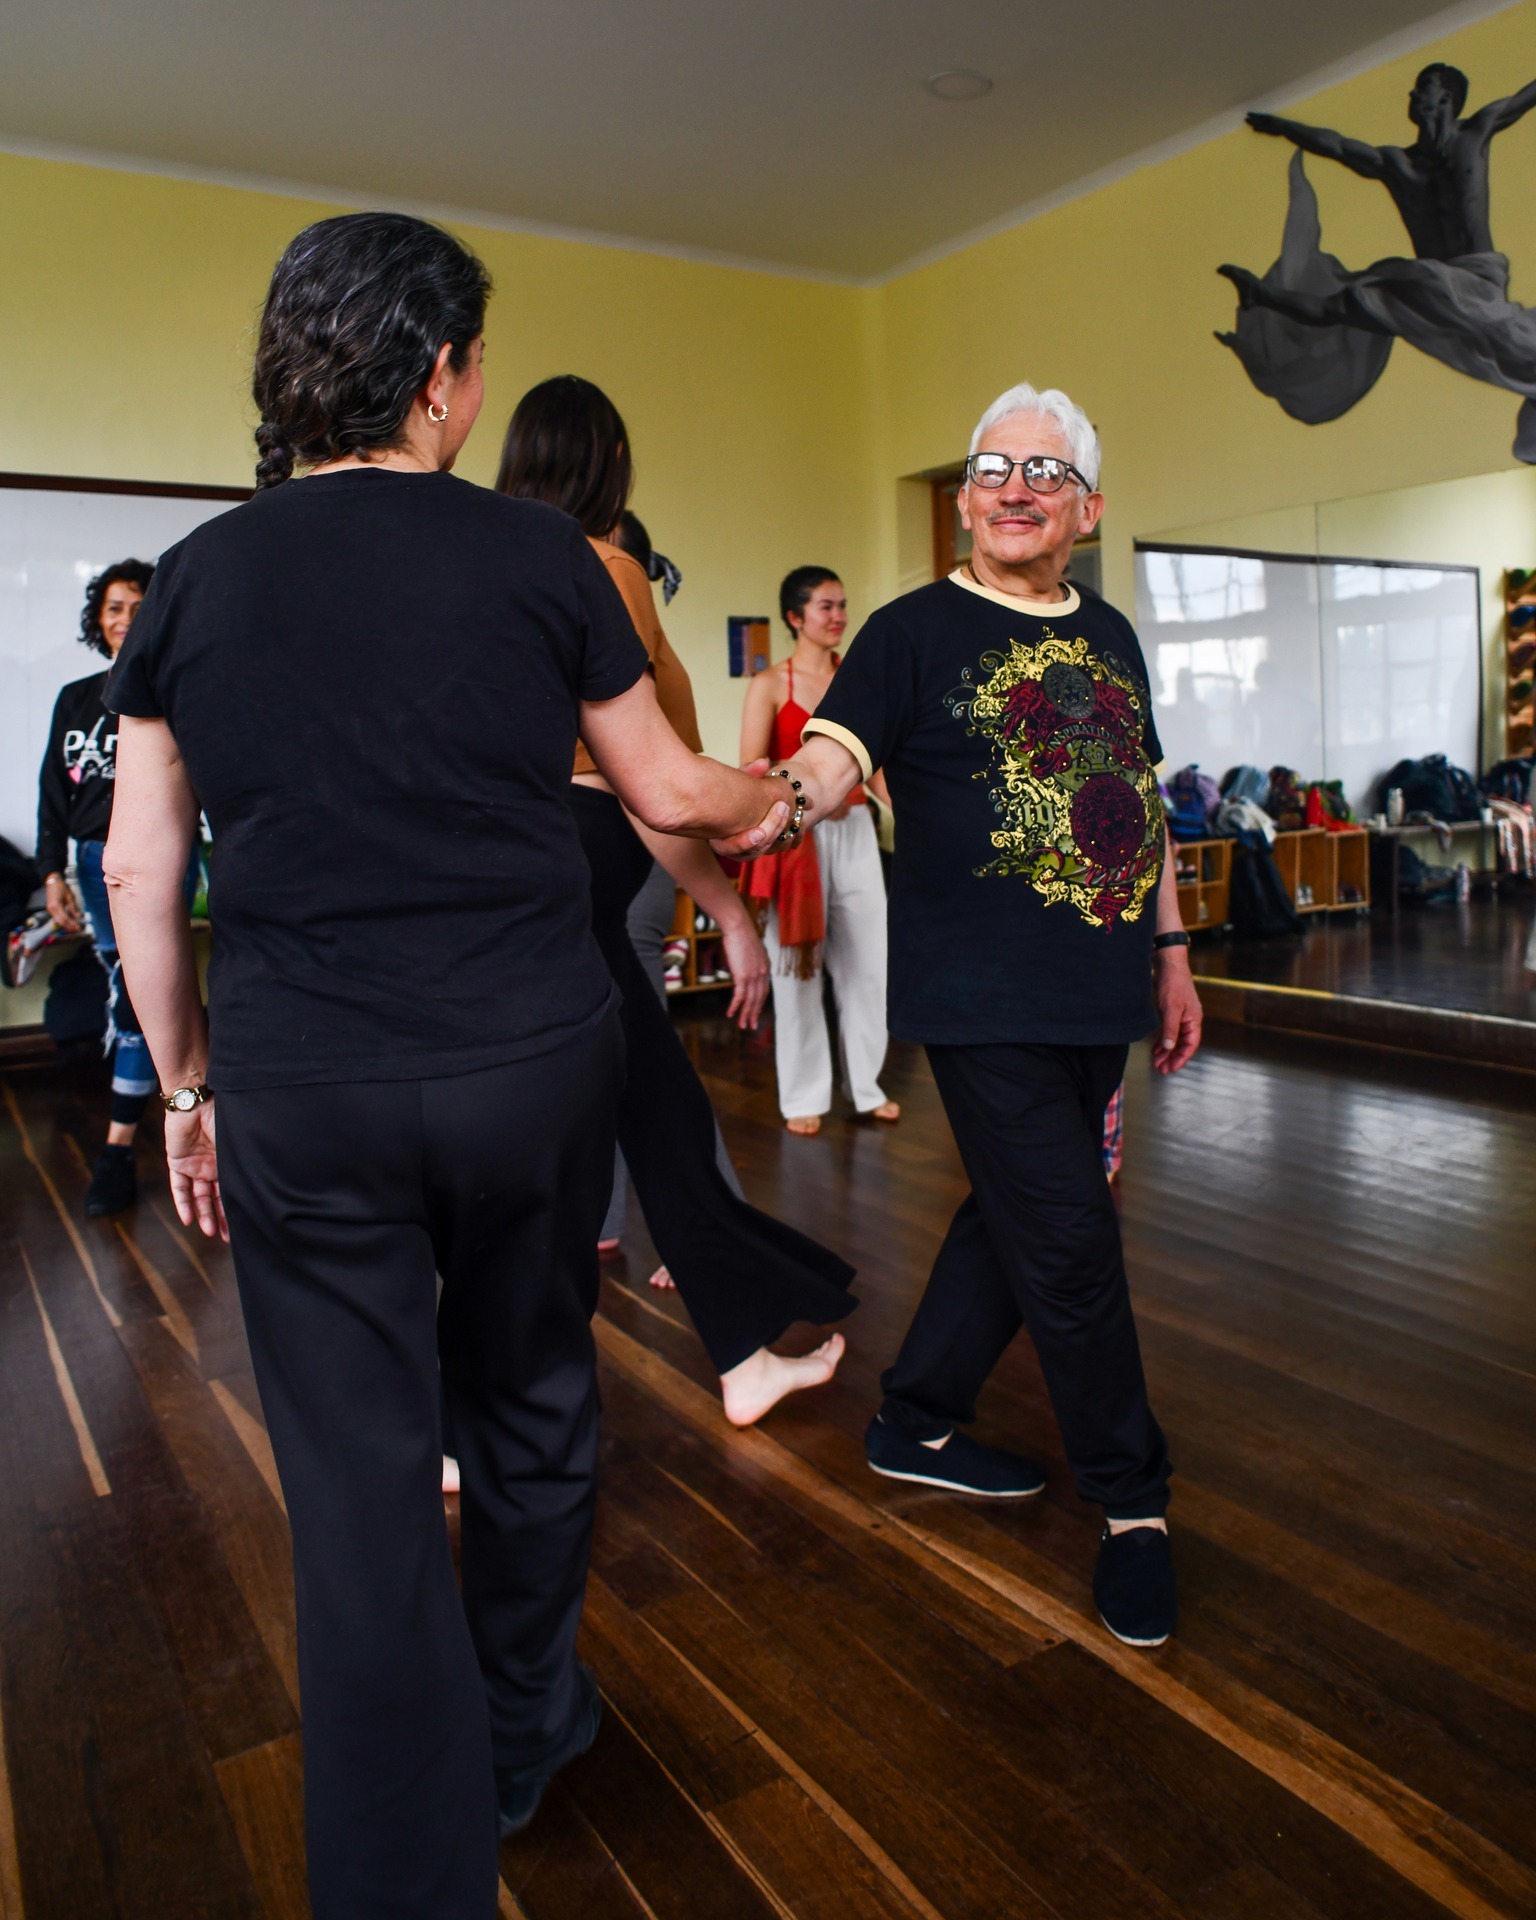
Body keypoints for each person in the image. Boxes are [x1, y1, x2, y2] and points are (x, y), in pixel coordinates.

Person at [101, 212, 794, 1920]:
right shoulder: (542, 556)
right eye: (475, 360)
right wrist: (788, 789)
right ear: (439, 374)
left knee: (358, 1484)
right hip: (524, 1067)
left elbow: (138, 870)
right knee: (534, 1404)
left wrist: (184, 1089)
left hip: (306, 1085)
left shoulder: (193, 580)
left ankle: (400, 1870)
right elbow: (668, 791)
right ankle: (523, 1727)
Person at [720, 381, 1203, 1651]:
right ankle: (1133, 1500)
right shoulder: (911, 630)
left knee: (1018, 1211)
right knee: (1071, 1239)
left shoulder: (1111, 633)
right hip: (982, 998)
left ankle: (916, 1418)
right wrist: (777, 800)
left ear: (1088, 509)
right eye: (993, 468)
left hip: (1100, 988)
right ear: (968, 500)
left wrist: (1171, 952)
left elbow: (1143, 799)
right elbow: (833, 760)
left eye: (1045, 473)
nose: (1013, 489)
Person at [497, 375, 857, 1427]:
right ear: (610, 460)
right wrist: (764, 829)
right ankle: (478, 1410)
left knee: (655, 1113)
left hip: (535, 878)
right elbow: (650, 779)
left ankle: (743, 1358)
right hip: (585, 870)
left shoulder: (493, 568)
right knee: (594, 1136)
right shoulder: (608, 567)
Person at [36, 559, 195, 1216]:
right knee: (130, 1001)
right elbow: (52, 793)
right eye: (113, 607)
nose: (125, 618)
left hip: (161, 860)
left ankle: (118, 1150)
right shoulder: (75, 698)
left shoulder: (176, 691)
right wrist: (51, 874)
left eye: (138, 605)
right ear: (96, 620)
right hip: (93, 863)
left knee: (137, 1004)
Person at [739, 570, 898, 1136]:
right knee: (796, 971)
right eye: (826, 606)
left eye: (843, 605)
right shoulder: (768, 684)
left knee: (870, 964)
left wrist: (913, 816)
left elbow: (876, 767)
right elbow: (753, 770)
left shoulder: (856, 678)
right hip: (794, 841)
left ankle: (868, 1088)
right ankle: (803, 1095)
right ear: (794, 616)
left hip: (856, 830)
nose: (839, 617)